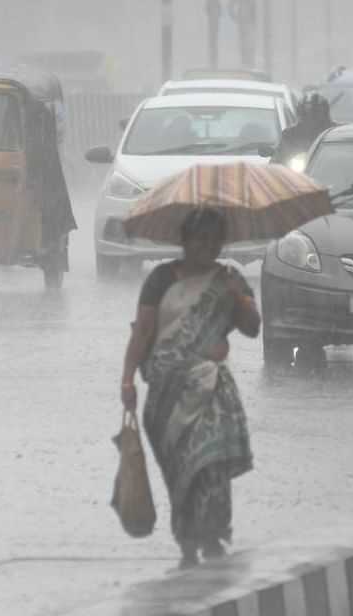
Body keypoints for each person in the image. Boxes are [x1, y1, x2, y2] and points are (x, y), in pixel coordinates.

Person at [119, 208, 259, 568]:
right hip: (166, 394)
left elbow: (252, 328)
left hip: (212, 391)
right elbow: (144, 332)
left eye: (214, 239)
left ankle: (212, 536)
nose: (206, 246)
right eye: (199, 238)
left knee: (210, 466)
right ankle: (186, 541)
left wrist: (237, 297)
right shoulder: (161, 279)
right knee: (180, 471)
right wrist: (127, 377)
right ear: (184, 240)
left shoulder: (230, 279)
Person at [273, 92, 336, 169]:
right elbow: (278, 157)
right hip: (296, 173)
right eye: (306, 112)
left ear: (324, 113)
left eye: (316, 112)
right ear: (300, 113)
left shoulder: (334, 132)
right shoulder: (290, 133)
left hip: (328, 169)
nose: (311, 116)